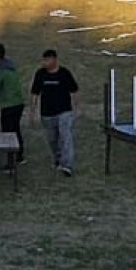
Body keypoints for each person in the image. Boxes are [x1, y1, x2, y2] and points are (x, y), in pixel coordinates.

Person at [30, 49, 79, 177]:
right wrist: (32, 112)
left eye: (47, 60)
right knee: (52, 139)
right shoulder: (40, 74)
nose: (44, 63)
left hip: (64, 111)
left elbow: (74, 90)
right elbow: (35, 93)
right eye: (43, 60)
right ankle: (58, 159)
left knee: (65, 137)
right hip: (47, 113)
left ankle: (67, 165)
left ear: (54, 60)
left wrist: (76, 108)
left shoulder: (64, 73)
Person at [0, 43, 26, 168]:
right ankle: (19, 155)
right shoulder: (10, 66)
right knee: (16, 130)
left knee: (8, 133)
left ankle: (10, 161)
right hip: (18, 103)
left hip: (8, 104)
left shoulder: (0, 71)